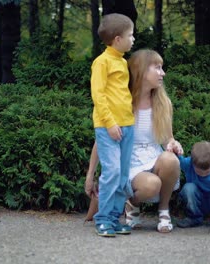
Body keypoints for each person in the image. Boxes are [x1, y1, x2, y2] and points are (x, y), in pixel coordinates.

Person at [85, 49, 183, 235]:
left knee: (171, 160)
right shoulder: (122, 103)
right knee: (151, 184)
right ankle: (132, 204)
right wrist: (90, 175)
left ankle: (164, 212)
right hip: (130, 162)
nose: (163, 73)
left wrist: (172, 143)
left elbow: (167, 138)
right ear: (142, 71)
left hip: (153, 156)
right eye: (158, 68)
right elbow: (102, 141)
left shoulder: (164, 103)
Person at [89, 13, 136, 237]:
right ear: (117, 39)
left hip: (128, 125)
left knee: (123, 174)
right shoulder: (101, 62)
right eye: (130, 35)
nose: (133, 39)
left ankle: (115, 218)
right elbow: (98, 96)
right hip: (108, 127)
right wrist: (109, 123)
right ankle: (103, 219)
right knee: (112, 171)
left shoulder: (123, 61)